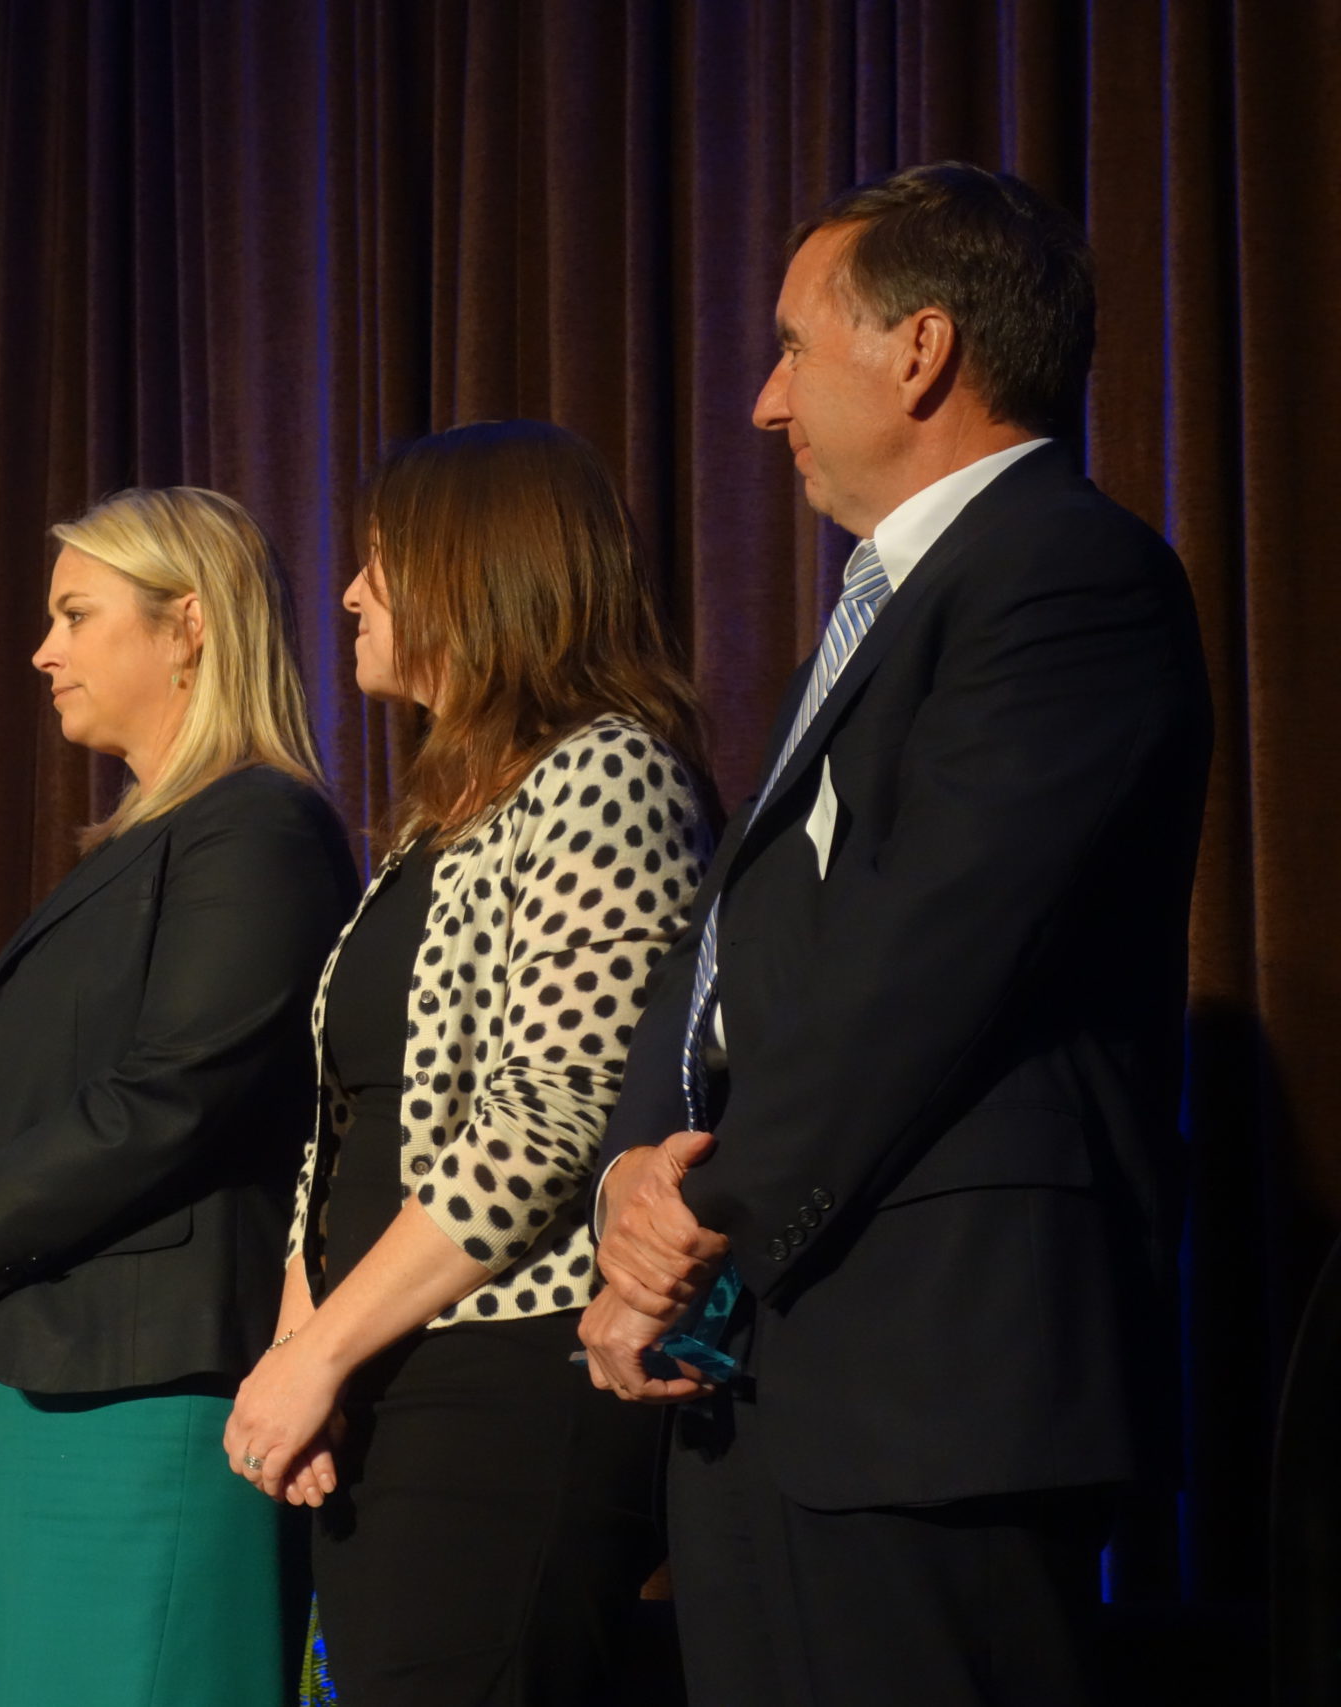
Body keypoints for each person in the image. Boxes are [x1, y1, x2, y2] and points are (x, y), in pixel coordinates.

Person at [579, 163, 1212, 1707]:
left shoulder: (1066, 578)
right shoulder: (881, 610)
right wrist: (625, 1172)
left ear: (921, 350)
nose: (761, 402)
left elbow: (920, 964)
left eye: (794, 345)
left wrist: (684, 1228)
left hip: (938, 1378)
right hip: (773, 1369)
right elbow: (737, 945)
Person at [222, 421, 710, 1705]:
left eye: (380, 560)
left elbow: (548, 1119)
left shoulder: (606, 772)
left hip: (510, 1375)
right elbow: (345, 1122)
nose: (348, 593)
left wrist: (321, 1352)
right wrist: (302, 1332)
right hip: (391, 1366)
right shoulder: (446, 815)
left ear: (472, 574)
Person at [0, 487, 357, 1707]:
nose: (43, 650)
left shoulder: (258, 827)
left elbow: (182, 1087)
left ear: (187, 625)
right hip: (66, 1381)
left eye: (75, 614)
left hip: (163, 1398)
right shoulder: (155, 841)